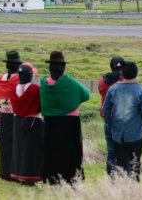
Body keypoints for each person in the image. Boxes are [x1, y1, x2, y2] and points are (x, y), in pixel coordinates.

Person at [40, 51, 90, 185]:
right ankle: (71, 178)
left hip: (50, 121)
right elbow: (86, 94)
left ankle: (53, 178)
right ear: (63, 67)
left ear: (50, 67)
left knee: (53, 151)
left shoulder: (44, 84)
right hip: (70, 122)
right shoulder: (70, 82)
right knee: (71, 152)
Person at [103, 61, 142, 182]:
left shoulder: (113, 89)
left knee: (121, 166)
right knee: (135, 166)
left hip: (118, 135)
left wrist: (110, 124)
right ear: (136, 73)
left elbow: (105, 109)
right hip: (135, 135)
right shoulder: (141, 91)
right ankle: (133, 192)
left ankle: (122, 191)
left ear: (122, 73)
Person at [10, 63, 44, 185]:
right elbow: (41, 105)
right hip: (33, 121)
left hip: (18, 121)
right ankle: (31, 178)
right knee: (33, 150)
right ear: (30, 76)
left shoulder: (14, 88)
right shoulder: (36, 89)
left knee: (20, 149)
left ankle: (20, 176)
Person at [0, 50, 22, 181]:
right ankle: (14, 174)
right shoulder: (18, 80)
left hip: (2, 115)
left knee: (5, 146)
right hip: (15, 115)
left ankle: (4, 173)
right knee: (16, 146)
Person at [98, 56, 125, 176]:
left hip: (108, 119)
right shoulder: (123, 81)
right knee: (124, 150)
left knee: (111, 150)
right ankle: (122, 175)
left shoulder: (103, 81)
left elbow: (101, 91)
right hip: (122, 119)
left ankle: (111, 177)